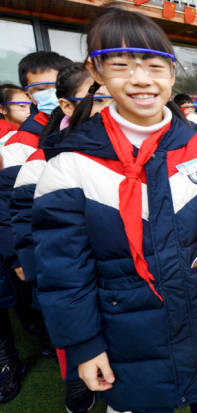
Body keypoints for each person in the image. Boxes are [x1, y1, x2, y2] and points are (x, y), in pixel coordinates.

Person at [32, 6, 197, 412]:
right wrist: (82, 345)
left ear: (173, 74)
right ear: (97, 71)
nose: (141, 79)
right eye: (122, 65)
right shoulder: (70, 162)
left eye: (156, 66)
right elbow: (62, 269)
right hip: (124, 340)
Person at [10, 63, 111, 412]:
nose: (109, 107)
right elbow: (22, 217)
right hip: (63, 274)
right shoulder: (44, 158)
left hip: (114, 277)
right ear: (66, 106)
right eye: (98, 98)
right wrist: (29, 264)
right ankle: (76, 383)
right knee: (70, 327)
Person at [0, 50, 72, 404]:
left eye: (54, 83)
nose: (48, 92)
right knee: (56, 314)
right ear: (28, 94)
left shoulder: (88, 124)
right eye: (38, 86)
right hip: (45, 250)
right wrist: (19, 255)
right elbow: (10, 207)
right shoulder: (18, 145)